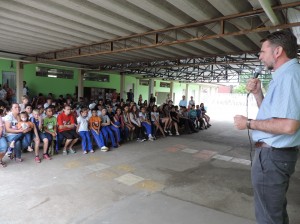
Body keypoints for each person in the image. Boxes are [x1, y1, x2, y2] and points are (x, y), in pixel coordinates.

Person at [234, 30, 300, 224]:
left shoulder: (289, 77)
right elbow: (272, 117)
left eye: (263, 51)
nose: (260, 56)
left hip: (273, 156)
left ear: (277, 51)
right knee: (273, 210)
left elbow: (288, 126)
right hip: (275, 155)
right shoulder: (283, 77)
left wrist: (248, 123)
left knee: (268, 217)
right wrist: (257, 94)